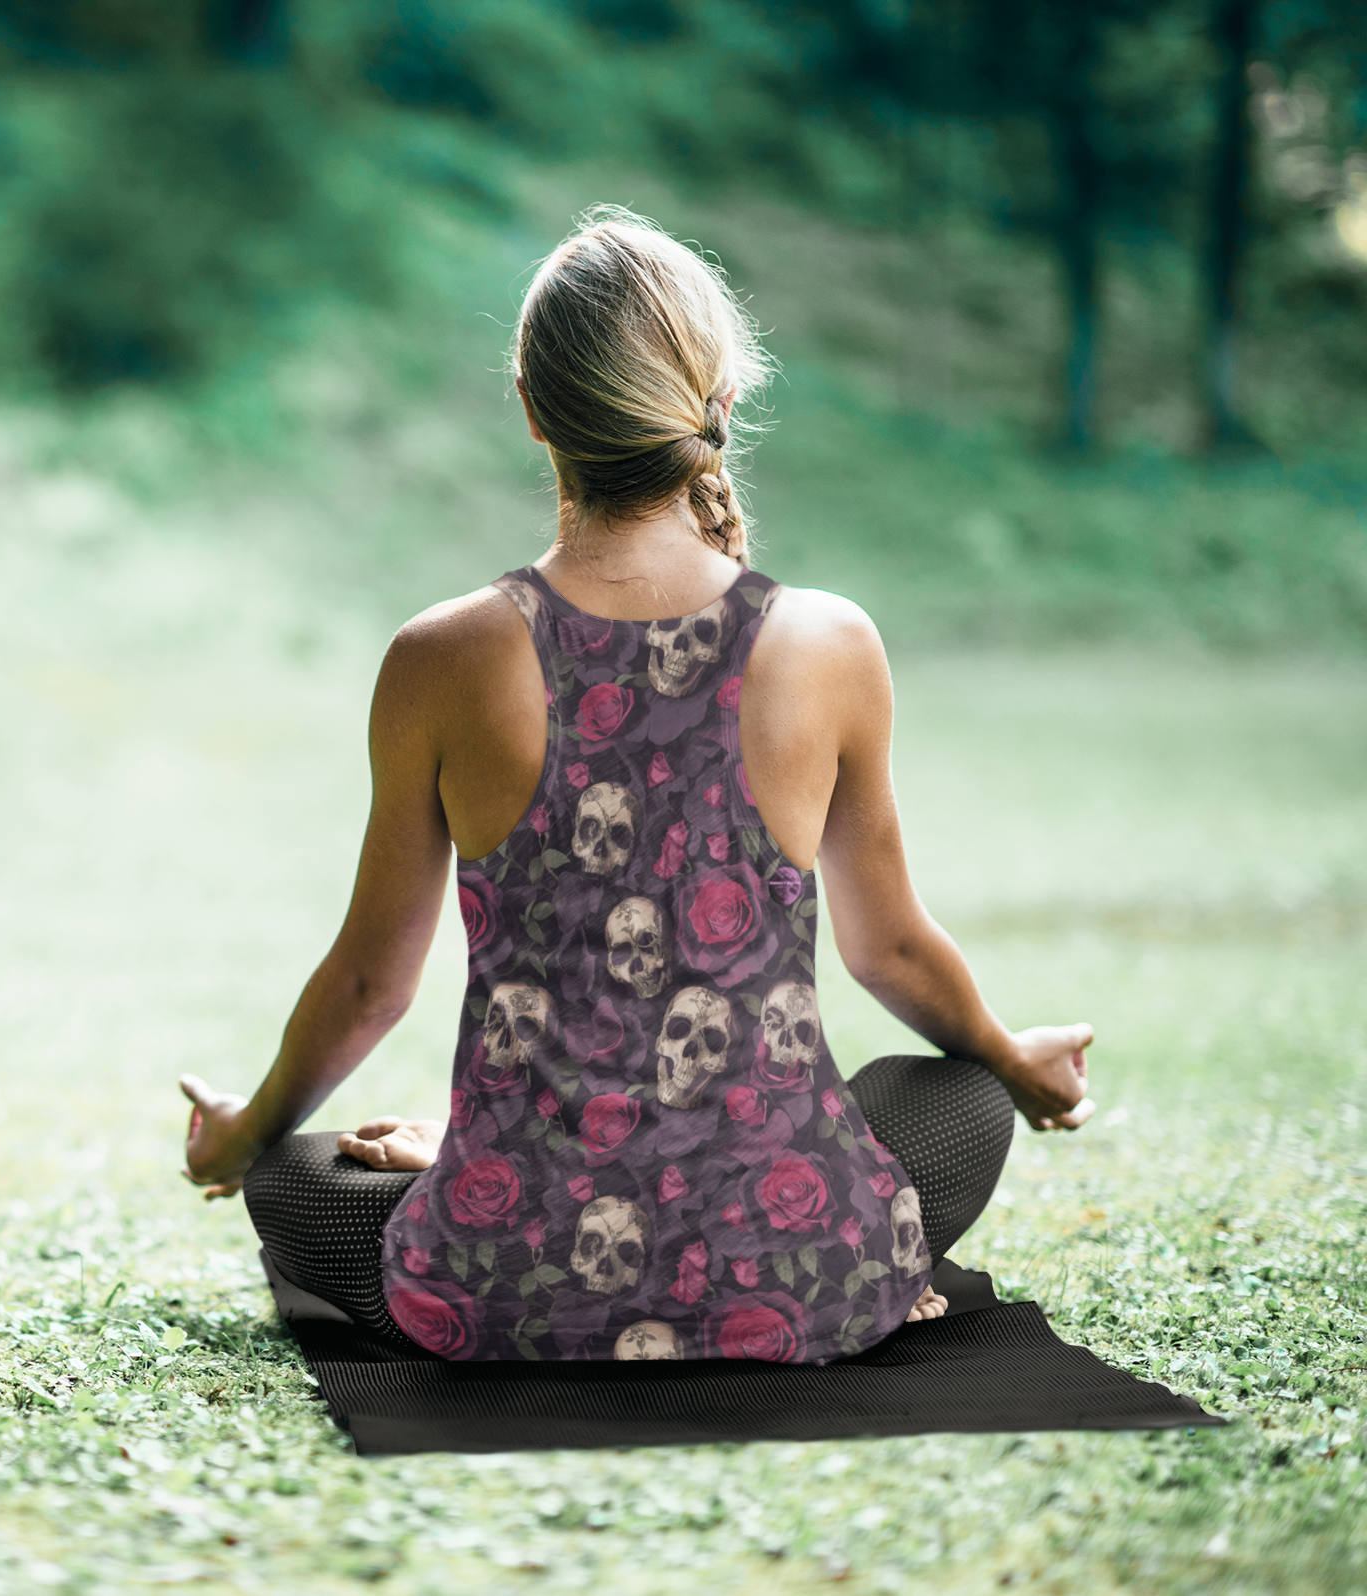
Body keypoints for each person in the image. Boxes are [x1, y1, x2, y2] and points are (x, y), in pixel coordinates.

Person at [181, 208, 1094, 1365]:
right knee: (954, 1092)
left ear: (532, 411)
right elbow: (894, 957)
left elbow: (372, 982)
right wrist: (1015, 1063)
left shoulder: (438, 658)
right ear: (718, 405)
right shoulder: (830, 642)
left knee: (299, 1179)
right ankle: (849, 1258)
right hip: (791, 1263)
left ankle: (473, 1176)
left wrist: (245, 1132)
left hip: (517, 1283)